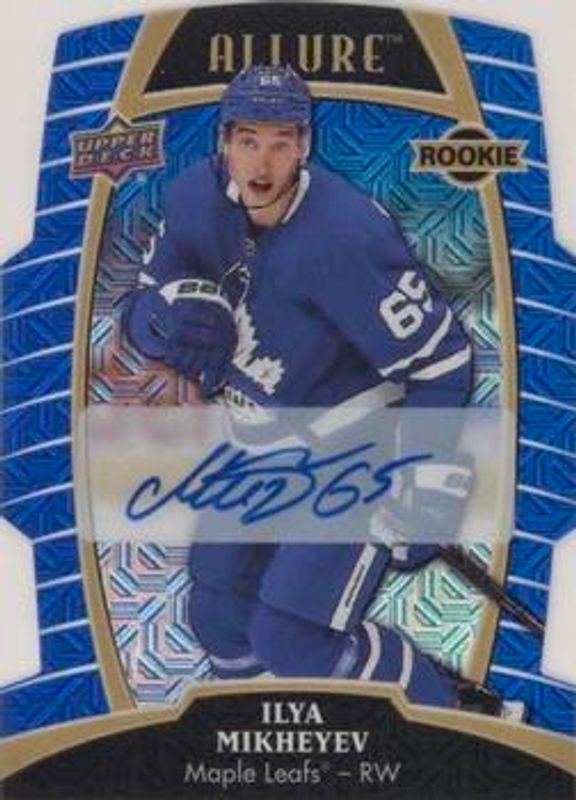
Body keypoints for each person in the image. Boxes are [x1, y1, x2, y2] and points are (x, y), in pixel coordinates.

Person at [123, 65, 501, 714]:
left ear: (304, 144)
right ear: (223, 142)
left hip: (353, 451)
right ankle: (262, 734)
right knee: (218, 615)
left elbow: (442, 359)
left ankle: (453, 714)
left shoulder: (346, 235)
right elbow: (141, 305)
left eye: (280, 142)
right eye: (248, 141)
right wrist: (162, 319)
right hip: (259, 442)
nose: (262, 162)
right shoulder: (193, 200)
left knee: (292, 638)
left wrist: (421, 478)